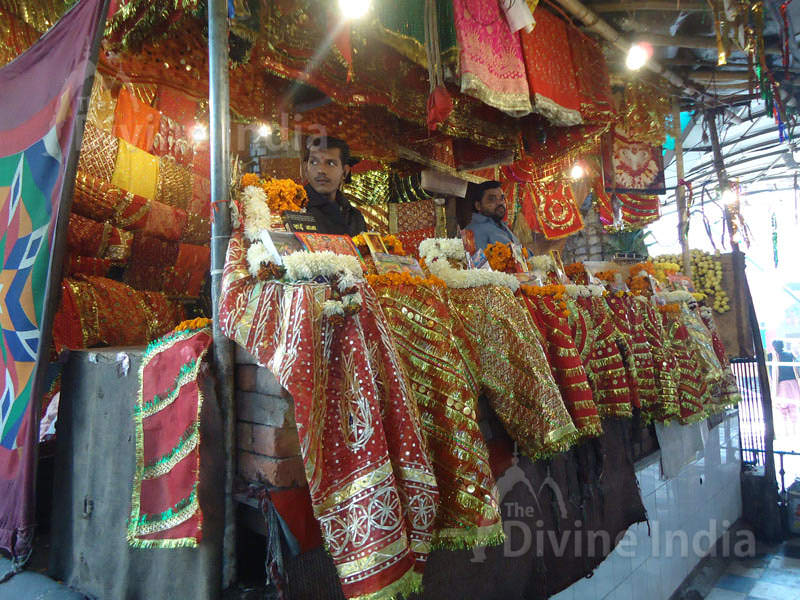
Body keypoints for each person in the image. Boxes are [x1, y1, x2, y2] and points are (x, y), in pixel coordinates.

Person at [301, 135, 367, 236]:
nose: (321, 170)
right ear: (306, 169)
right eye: (314, 162)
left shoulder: (354, 217)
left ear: (345, 172)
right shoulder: (295, 210)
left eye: (330, 163)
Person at [465, 180, 519, 251]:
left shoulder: (501, 225)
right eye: (492, 199)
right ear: (478, 206)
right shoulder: (474, 231)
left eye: (502, 198)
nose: (500, 203)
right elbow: (478, 261)